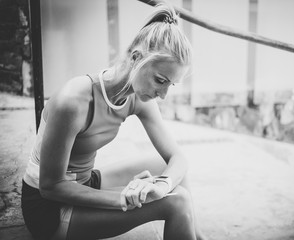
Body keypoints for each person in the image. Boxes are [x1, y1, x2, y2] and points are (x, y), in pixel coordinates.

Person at [21, 2, 207, 240]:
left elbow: (177, 158)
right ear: (137, 57)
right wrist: (125, 198)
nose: (163, 95)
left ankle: (198, 236)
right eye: (160, 80)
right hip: (48, 210)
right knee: (177, 202)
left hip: (86, 183)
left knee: (167, 171)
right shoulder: (73, 100)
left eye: (170, 85)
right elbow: (50, 186)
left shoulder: (140, 99)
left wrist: (160, 186)